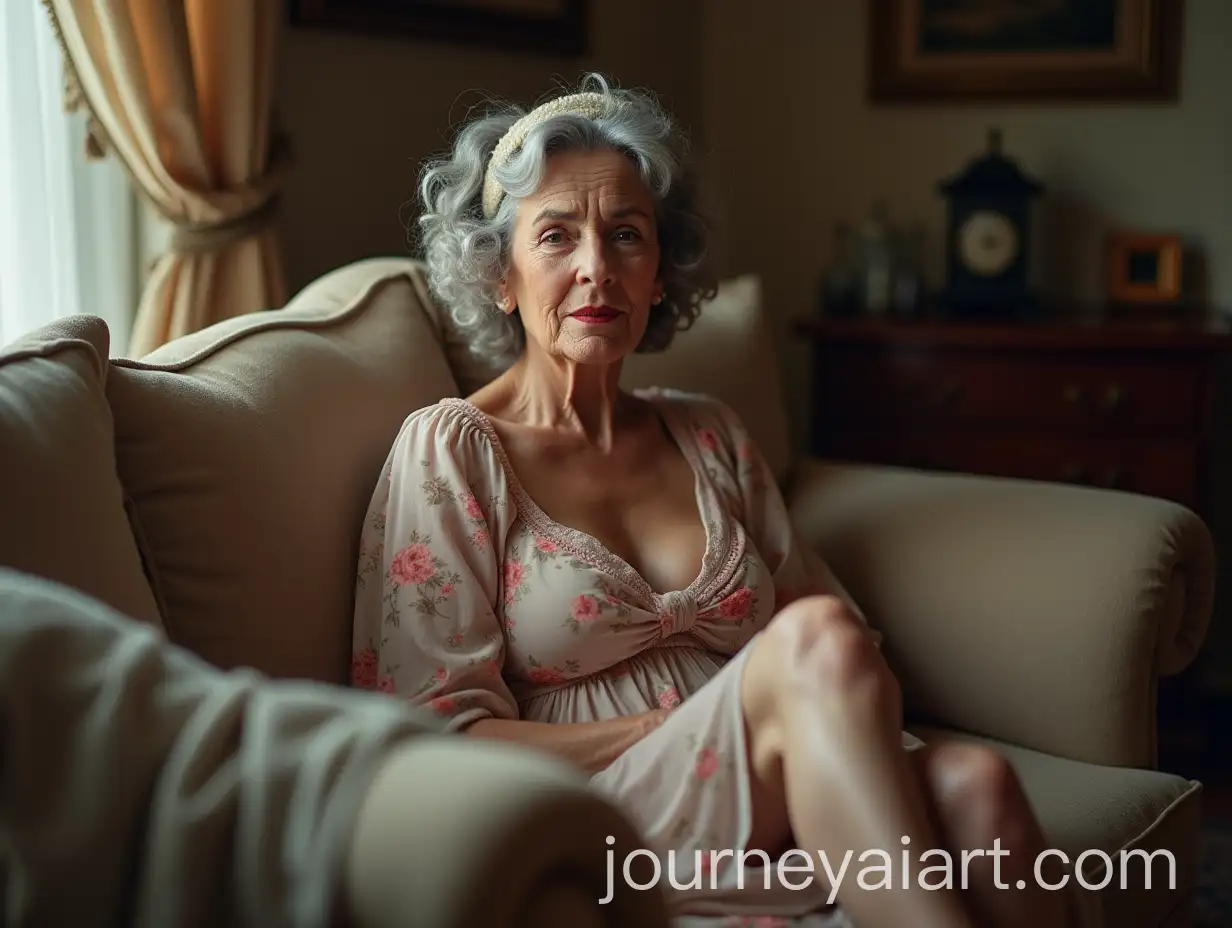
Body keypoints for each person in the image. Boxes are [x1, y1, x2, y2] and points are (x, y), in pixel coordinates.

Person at [350, 73, 1072, 928]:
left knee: (979, 784)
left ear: (660, 273)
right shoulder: (453, 451)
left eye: (627, 235)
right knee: (811, 646)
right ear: (499, 274)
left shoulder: (710, 435)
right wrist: (676, 725)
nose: (596, 268)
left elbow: (842, 646)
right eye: (555, 236)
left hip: (772, 778)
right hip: (603, 812)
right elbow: (432, 735)